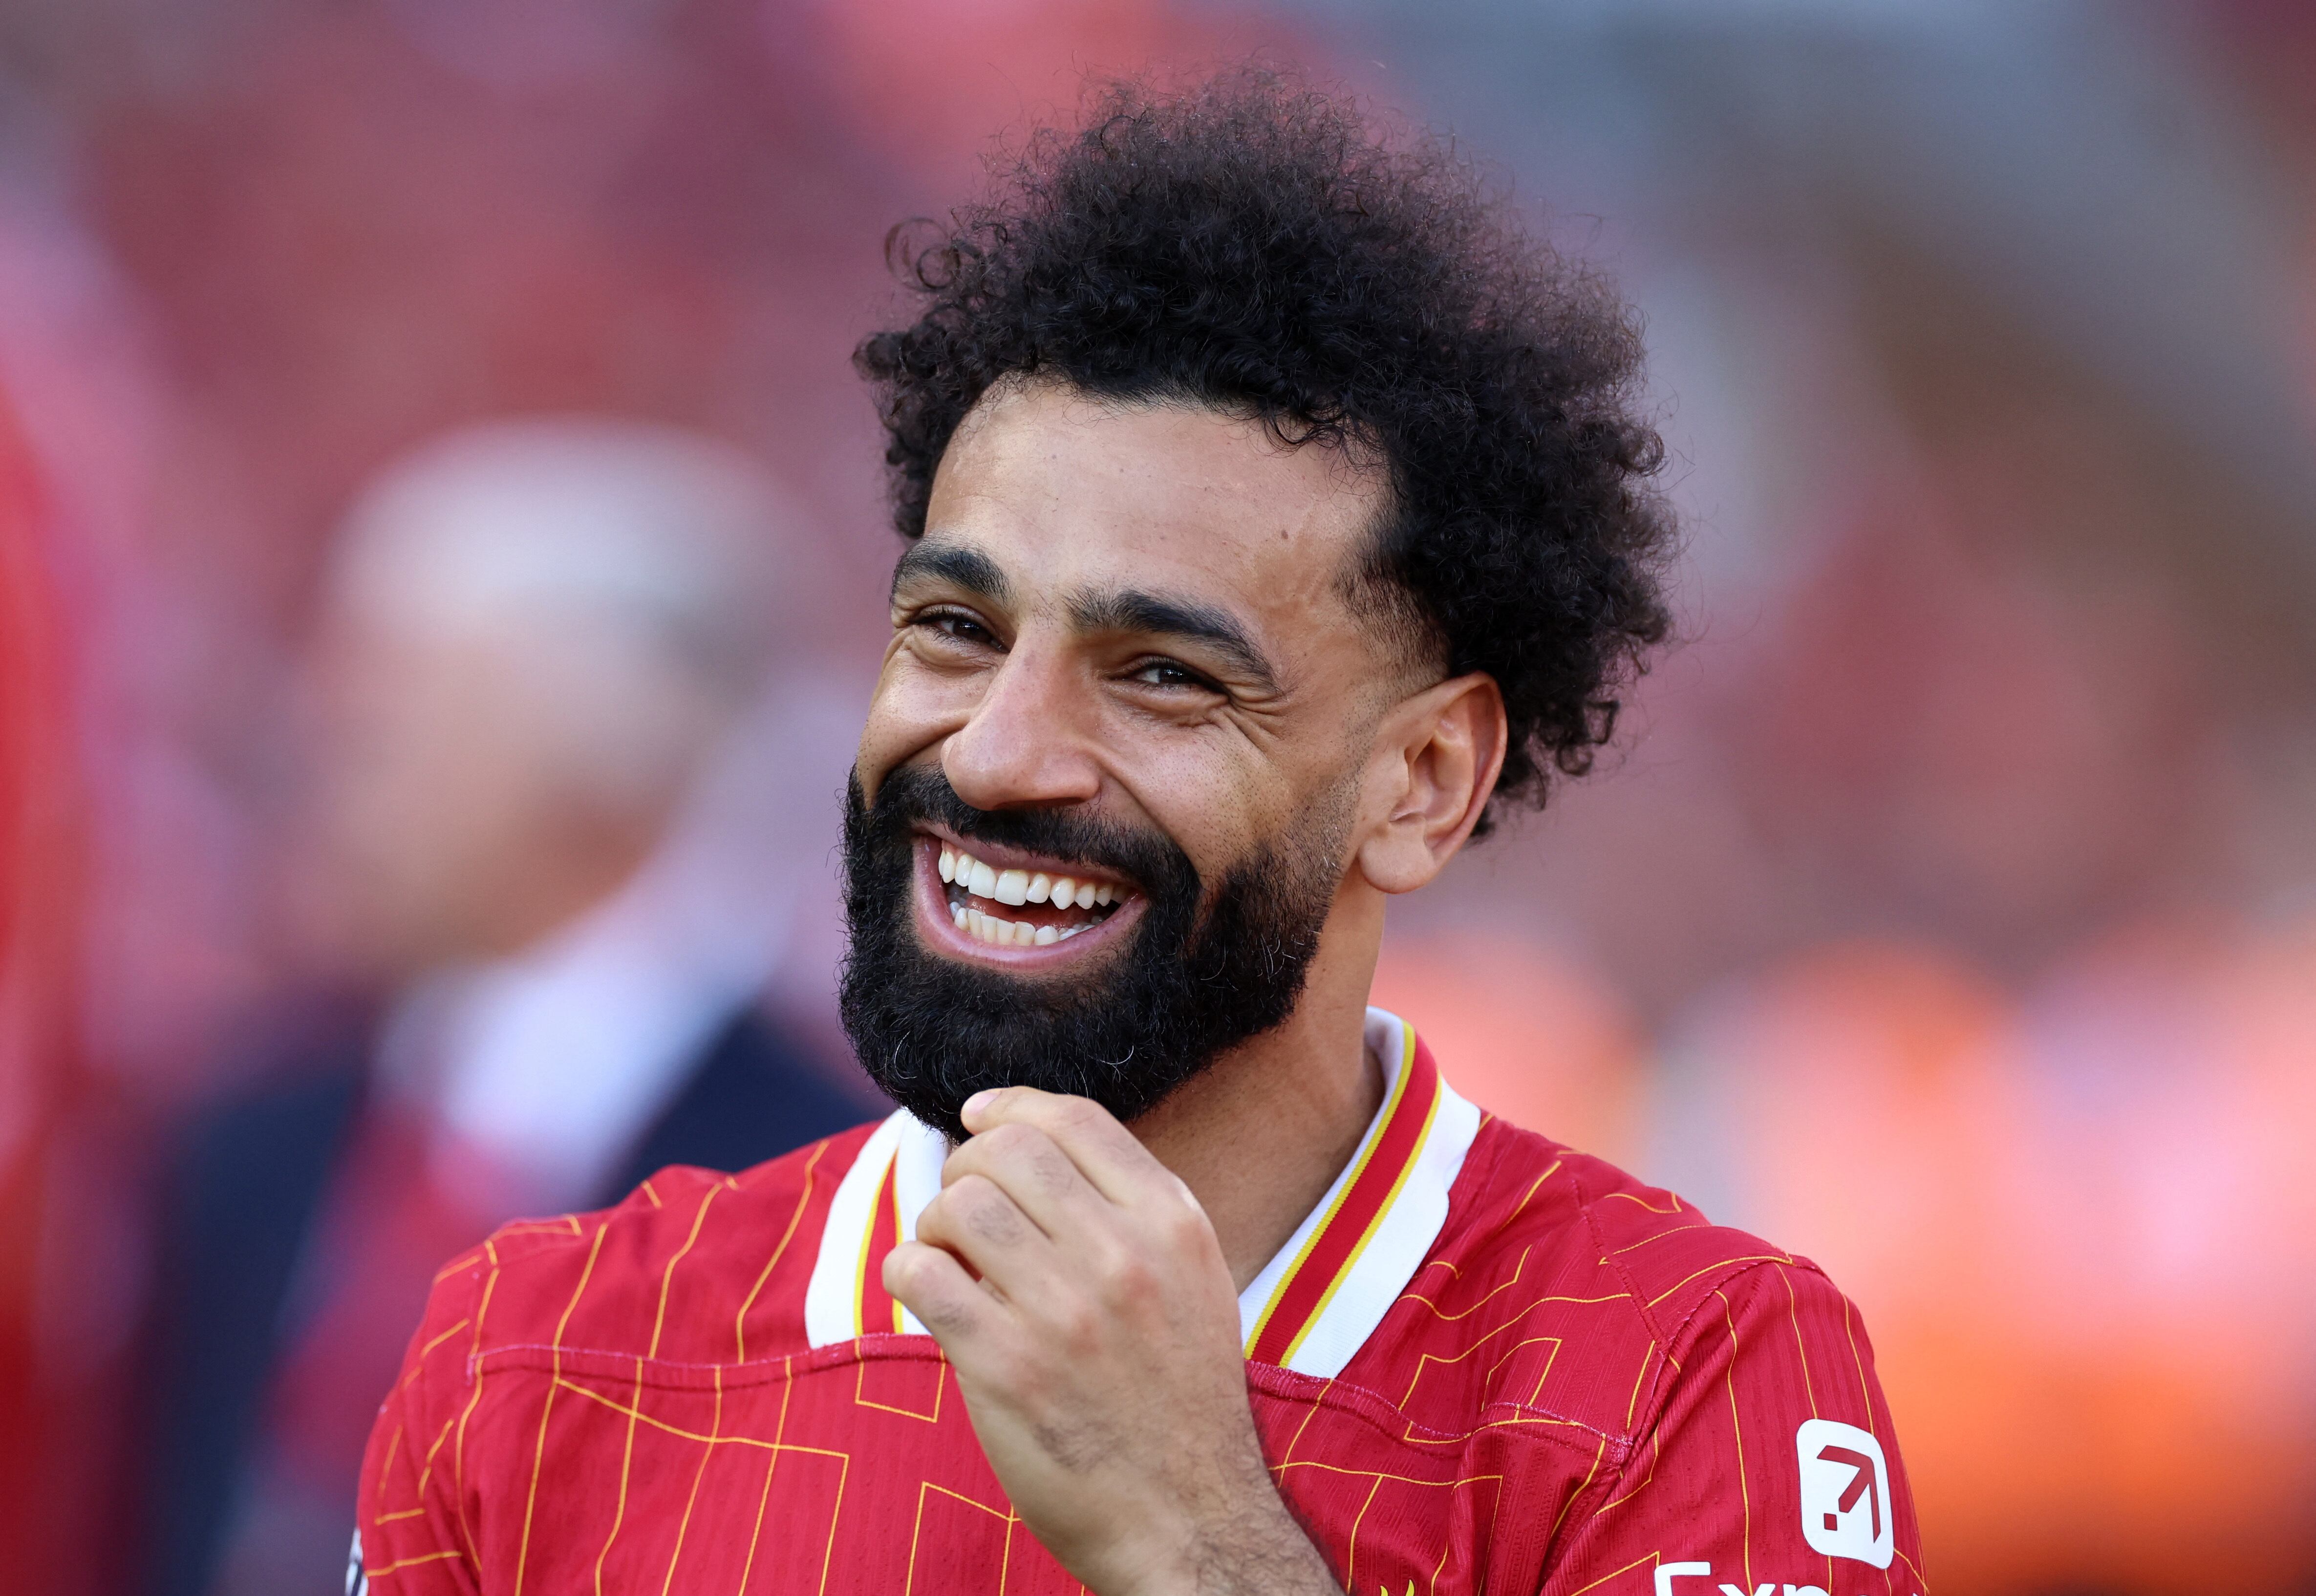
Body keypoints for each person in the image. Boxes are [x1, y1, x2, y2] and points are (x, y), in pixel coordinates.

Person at [353, 75, 1927, 1596]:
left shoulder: (1688, 1374)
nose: (997, 752)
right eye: (956, 629)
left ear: (1423, 779)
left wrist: (1193, 1534)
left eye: (1161, 674)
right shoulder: (536, 1358)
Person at [140, 419, 872, 1596]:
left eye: (394, 702)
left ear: (605, 765)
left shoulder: (828, 1211)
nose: (320, 745)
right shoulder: (240, 1145)